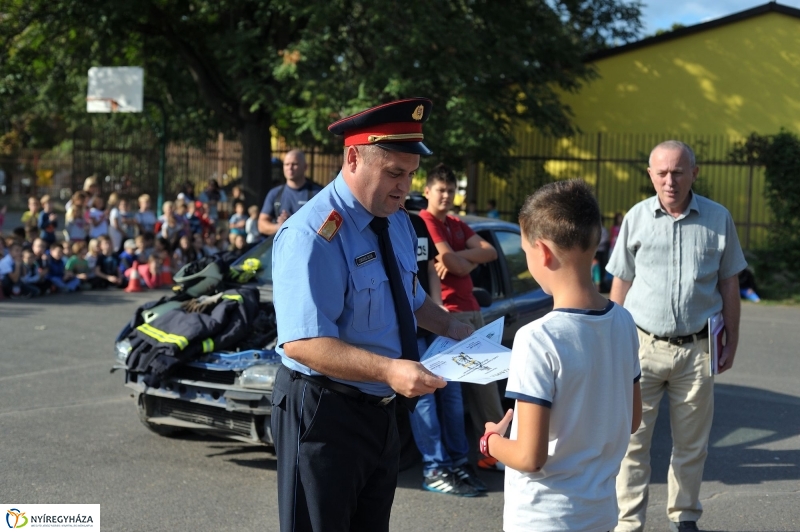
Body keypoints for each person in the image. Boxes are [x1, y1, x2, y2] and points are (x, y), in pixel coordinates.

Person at [270, 98, 474, 532]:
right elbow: (303, 342)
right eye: (394, 174)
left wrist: (454, 327)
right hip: (324, 412)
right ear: (353, 158)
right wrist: (390, 370)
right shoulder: (313, 234)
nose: (404, 187)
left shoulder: (397, 220)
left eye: (410, 175)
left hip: (379, 412)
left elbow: (412, 300)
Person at [482, 179, 642, 532]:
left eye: (525, 252)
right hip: (599, 514)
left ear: (542, 252)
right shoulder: (623, 322)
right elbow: (631, 420)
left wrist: (491, 441)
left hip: (543, 518)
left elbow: (528, 456)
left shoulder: (537, 338)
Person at [607, 140, 747, 532]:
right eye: (662, 173)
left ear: (694, 173)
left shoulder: (719, 219)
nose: (670, 181)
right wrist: (613, 341)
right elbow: (620, 283)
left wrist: (732, 339)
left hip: (697, 350)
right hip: (641, 347)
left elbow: (729, 284)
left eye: (678, 172)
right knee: (632, 443)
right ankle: (628, 523)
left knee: (691, 444)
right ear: (650, 174)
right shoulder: (636, 218)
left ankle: (685, 516)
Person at [419, 164, 504, 469]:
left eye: (451, 191)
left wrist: (460, 261)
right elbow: (450, 262)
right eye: (441, 190)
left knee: (487, 384)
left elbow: (489, 252)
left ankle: (494, 452)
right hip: (449, 315)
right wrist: (465, 261)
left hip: (474, 309)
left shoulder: (456, 222)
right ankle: (451, 459)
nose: (446, 196)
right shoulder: (425, 221)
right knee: (449, 394)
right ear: (427, 191)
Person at [407, 208, 483, 497]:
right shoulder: (380, 223)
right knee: (425, 399)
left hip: (434, 324)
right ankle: (435, 468)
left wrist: (439, 308)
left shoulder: (416, 223)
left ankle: (458, 462)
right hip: (409, 331)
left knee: (452, 394)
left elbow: (428, 269)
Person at [258, 149, 323, 236]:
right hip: (282, 248)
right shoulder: (275, 194)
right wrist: (279, 227)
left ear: (305, 167)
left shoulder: (317, 194)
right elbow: (261, 225)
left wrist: (295, 224)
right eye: (287, 164)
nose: (290, 168)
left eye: (294, 164)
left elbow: (326, 225)